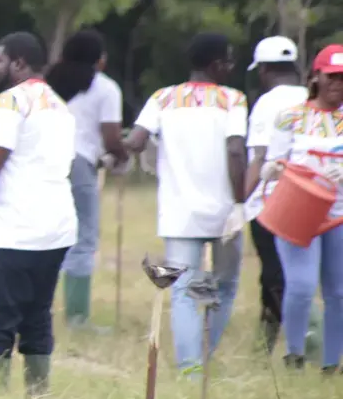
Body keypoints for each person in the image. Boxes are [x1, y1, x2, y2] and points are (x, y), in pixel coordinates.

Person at [0, 33, 77, 394]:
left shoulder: (7, 104)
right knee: (37, 318)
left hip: (16, 230)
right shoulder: (59, 105)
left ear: (19, 62)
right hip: (57, 229)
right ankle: (37, 398)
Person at [123, 34, 248, 373]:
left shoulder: (162, 98)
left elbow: (134, 141)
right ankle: (206, 354)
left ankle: (190, 369)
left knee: (184, 291)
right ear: (216, 64)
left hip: (179, 213)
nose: (231, 67)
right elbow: (235, 151)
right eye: (229, 60)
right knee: (223, 284)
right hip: (224, 213)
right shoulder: (233, 99)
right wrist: (240, 203)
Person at [258, 43, 343, 372]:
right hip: (298, 211)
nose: (337, 84)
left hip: (337, 214)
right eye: (332, 77)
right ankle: (294, 354)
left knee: (337, 291)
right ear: (316, 76)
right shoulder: (292, 116)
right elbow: (275, 159)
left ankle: (331, 362)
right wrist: (274, 169)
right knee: (302, 284)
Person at [47, 30, 126, 326]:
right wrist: (120, 156)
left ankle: (39, 307)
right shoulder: (105, 88)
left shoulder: (48, 82)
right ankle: (77, 318)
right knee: (83, 237)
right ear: (99, 60)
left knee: (48, 234)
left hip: (46, 161)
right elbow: (112, 137)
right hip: (79, 162)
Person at [241, 36, 307, 356]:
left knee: (274, 277)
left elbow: (259, 157)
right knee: (301, 275)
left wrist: (240, 202)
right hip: (312, 201)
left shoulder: (267, 103)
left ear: (264, 70)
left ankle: (270, 344)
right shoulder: (313, 95)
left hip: (270, 203)